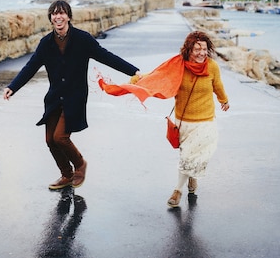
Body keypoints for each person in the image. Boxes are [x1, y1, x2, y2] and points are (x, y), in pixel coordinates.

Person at [3, 0, 140, 190]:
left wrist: (134, 72)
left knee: (60, 137)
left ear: (68, 16)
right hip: (54, 97)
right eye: (54, 14)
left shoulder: (82, 39)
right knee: (50, 140)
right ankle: (66, 175)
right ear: (50, 18)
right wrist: (13, 86)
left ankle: (80, 164)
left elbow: (107, 57)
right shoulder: (46, 43)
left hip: (75, 97)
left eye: (62, 13)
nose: (58, 17)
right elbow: (30, 67)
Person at [98, 30, 229, 207]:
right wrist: (137, 81)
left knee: (193, 155)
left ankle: (177, 191)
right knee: (187, 156)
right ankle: (191, 178)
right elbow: (157, 76)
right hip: (184, 120)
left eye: (204, 49)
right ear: (188, 50)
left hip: (205, 120)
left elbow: (217, 85)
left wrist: (224, 100)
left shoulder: (212, 66)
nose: (201, 53)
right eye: (196, 49)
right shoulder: (178, 65)